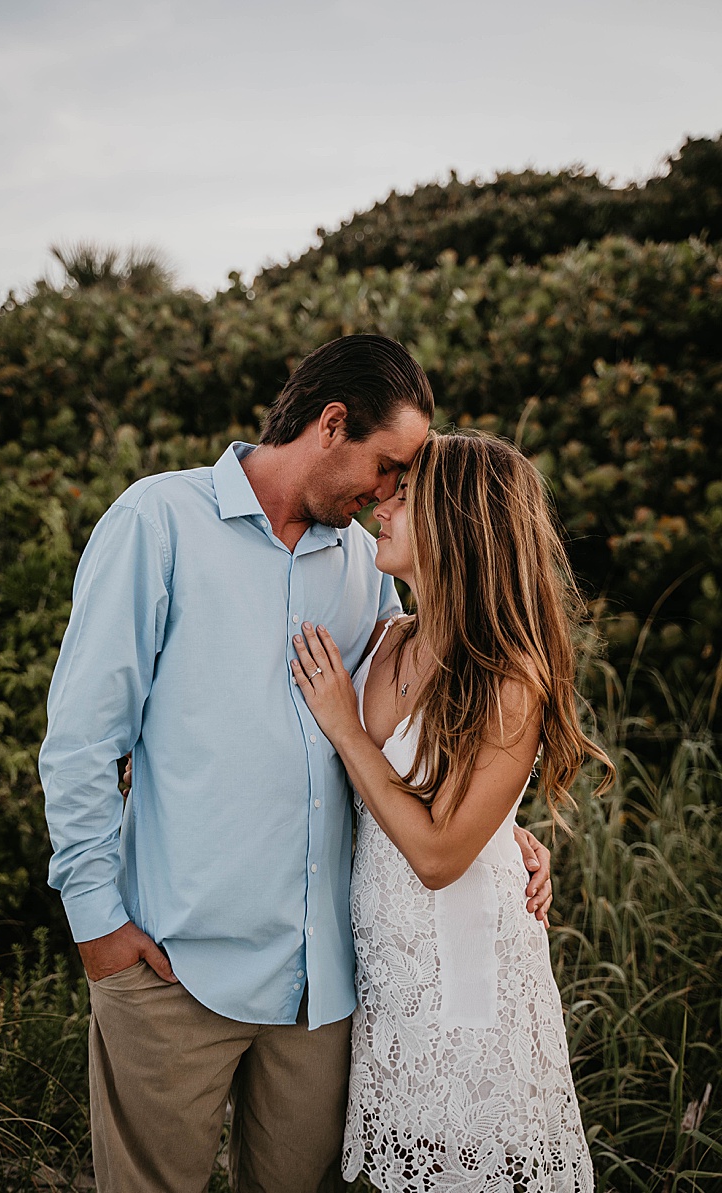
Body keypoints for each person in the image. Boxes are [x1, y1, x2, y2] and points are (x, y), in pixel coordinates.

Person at [39, 334, 555, 1191]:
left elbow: (418, 726)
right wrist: (97, 925)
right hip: (173, 969)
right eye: (389, 466)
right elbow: (83, 739)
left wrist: (502, 828)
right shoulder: (156, 521)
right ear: (331, 422)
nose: (391, 494)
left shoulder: (365, 567)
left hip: (324, 991)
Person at [290, 430, 605, 1191]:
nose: (382, 504)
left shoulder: (508, 676)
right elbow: (410, 796)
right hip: (388, 984)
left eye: (405, 495)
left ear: (456, 522)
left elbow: (435, 856)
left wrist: (342, 723)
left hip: (468, 980)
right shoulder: (390, 637)